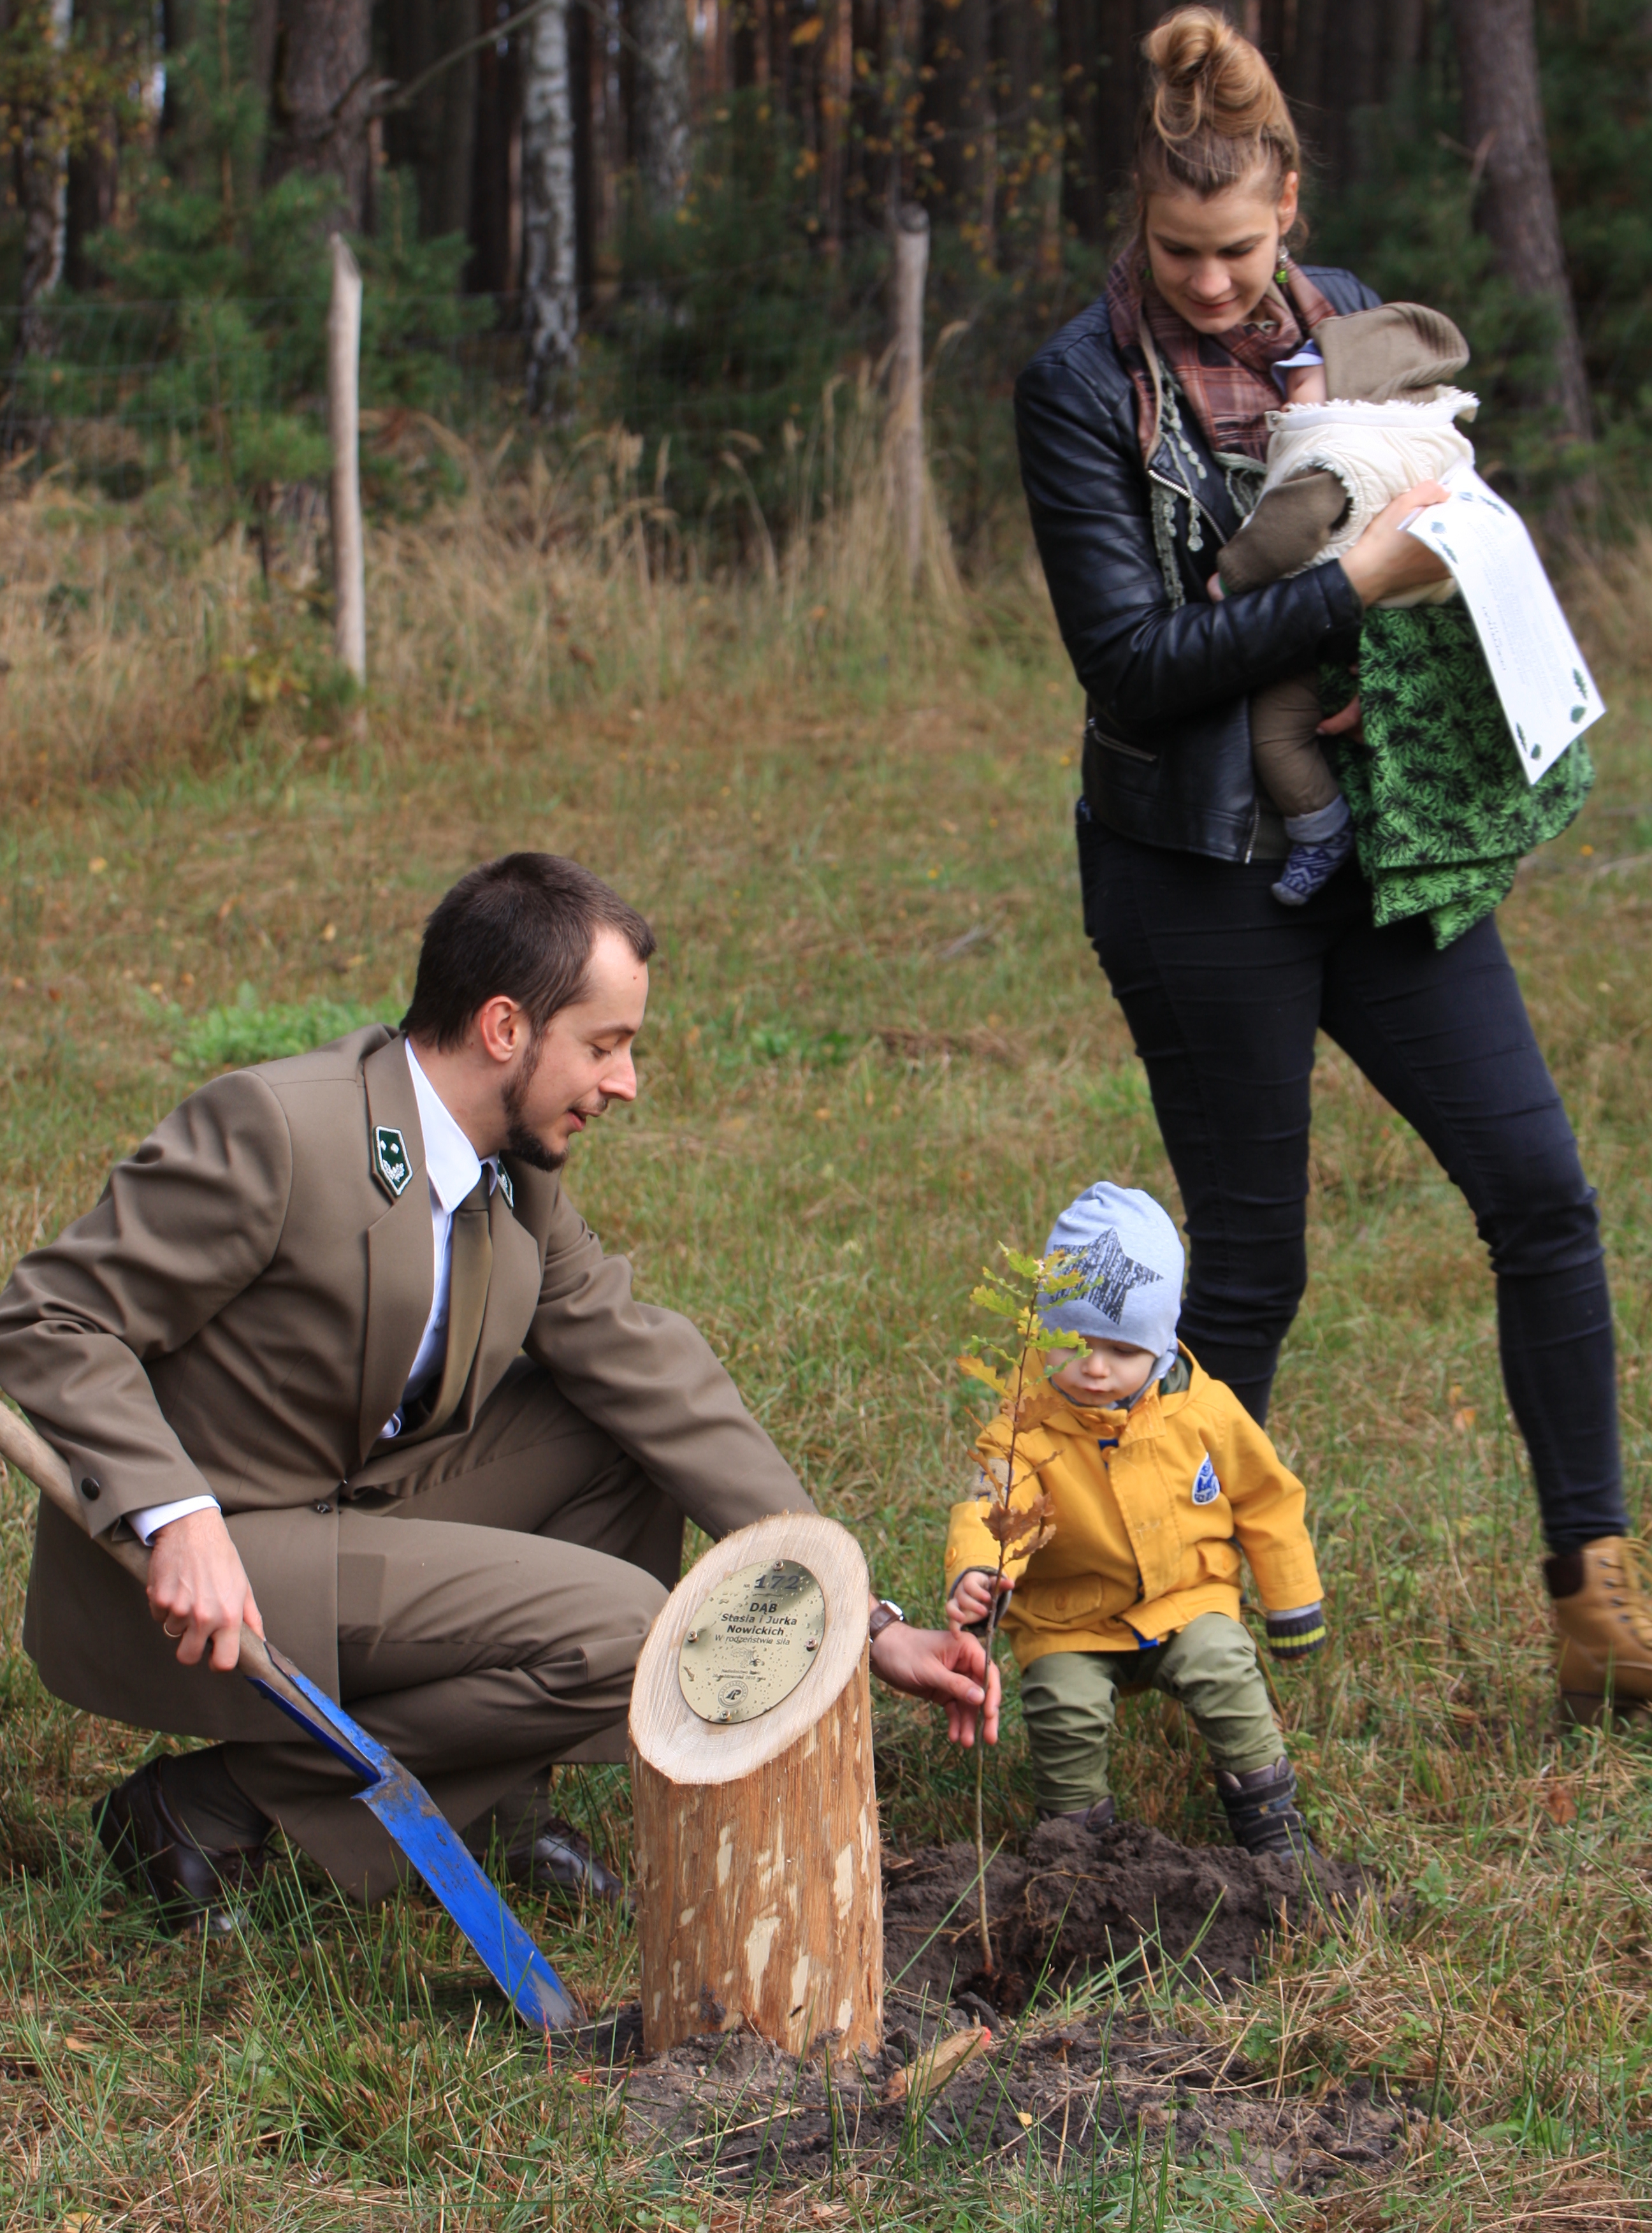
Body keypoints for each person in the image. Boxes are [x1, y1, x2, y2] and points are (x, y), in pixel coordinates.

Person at [1013, 5, 1651, 1720]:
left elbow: (1441, 513)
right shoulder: (1079, 386)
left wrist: (1410, 653)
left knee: (1542, 1189)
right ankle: (1160, 1625)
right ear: (1134, 225)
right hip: (1190, 857)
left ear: (1290, 198)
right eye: (1175, 250)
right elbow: (1136, 665)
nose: (1211, 284)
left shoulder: (1359, 324)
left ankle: (1598, 1598)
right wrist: (1350, 591)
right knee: (1251, 1261)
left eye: (1237, 247)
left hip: (1378, 847)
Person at [0, 853, 999, 1935]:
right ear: (505, 1029)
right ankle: (207, 1809)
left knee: (618, 1426)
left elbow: (647, 1369)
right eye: (605, 1045)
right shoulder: (280, 1133)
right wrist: (178, 1514)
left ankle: (491, 1802)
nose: (626, 1083)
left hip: (357, 1496)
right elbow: (51, 1317)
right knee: (632, 1634)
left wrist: (854, 1617)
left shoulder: (513, 1173)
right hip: (223, 1548)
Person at [943, 1182, 1322, 1858]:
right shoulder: (1024, 1424)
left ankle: (1270, 1817)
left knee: (1226, 1670)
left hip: (1187, 1595)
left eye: (1120, 1349)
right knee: (1064, 1708)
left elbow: (1267, 1499)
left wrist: (1292, 1596)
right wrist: (980, 1569)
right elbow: (994, 1506)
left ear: (1164, 1344)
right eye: (1071, 1342)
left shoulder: (1203, 1411)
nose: (1093, 1367)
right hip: (1071, 1616)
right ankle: (1077, 1840)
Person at [1211, 302, 1477, 906]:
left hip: (1331, 625)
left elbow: (1289, 529)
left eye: (1298, 379)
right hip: (1414, 633)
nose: (1283, 401)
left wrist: (1231, 580)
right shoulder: (1440, 443)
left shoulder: (1336, 452)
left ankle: (1320, 827)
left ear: (1349, 383)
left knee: (1276, 733)